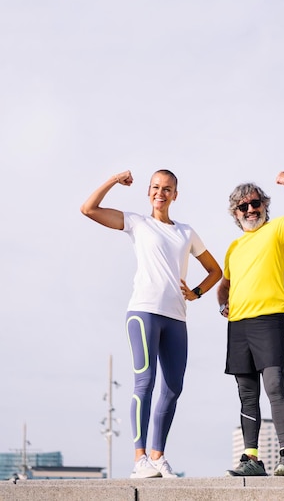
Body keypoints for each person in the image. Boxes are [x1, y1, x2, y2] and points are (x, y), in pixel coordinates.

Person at [81, 169, 222, 478]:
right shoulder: (137, 222)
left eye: (168, 188)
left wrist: (196, 293)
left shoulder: (186, 232)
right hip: (143, 312)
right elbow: (88, 209)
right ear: (148, 192)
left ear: (175, 194)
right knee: (145, 382)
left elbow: (215, 270)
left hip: (176, 318)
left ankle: (158, 457)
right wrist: (113, 181)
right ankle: (139, 459)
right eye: (156, 187)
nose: (162, 192)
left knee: (173, 388)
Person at [217, 172, 284, 477]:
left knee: (274, 386)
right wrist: (222, 303)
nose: (250, 210)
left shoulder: (277, 229)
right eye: (243, 207)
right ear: (235, 214)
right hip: (238, 326)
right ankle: (252, 459)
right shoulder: (234, 247)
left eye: (255, 203)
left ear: (264, 205)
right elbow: (224, 285)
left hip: (269, 320)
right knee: (247, 393)